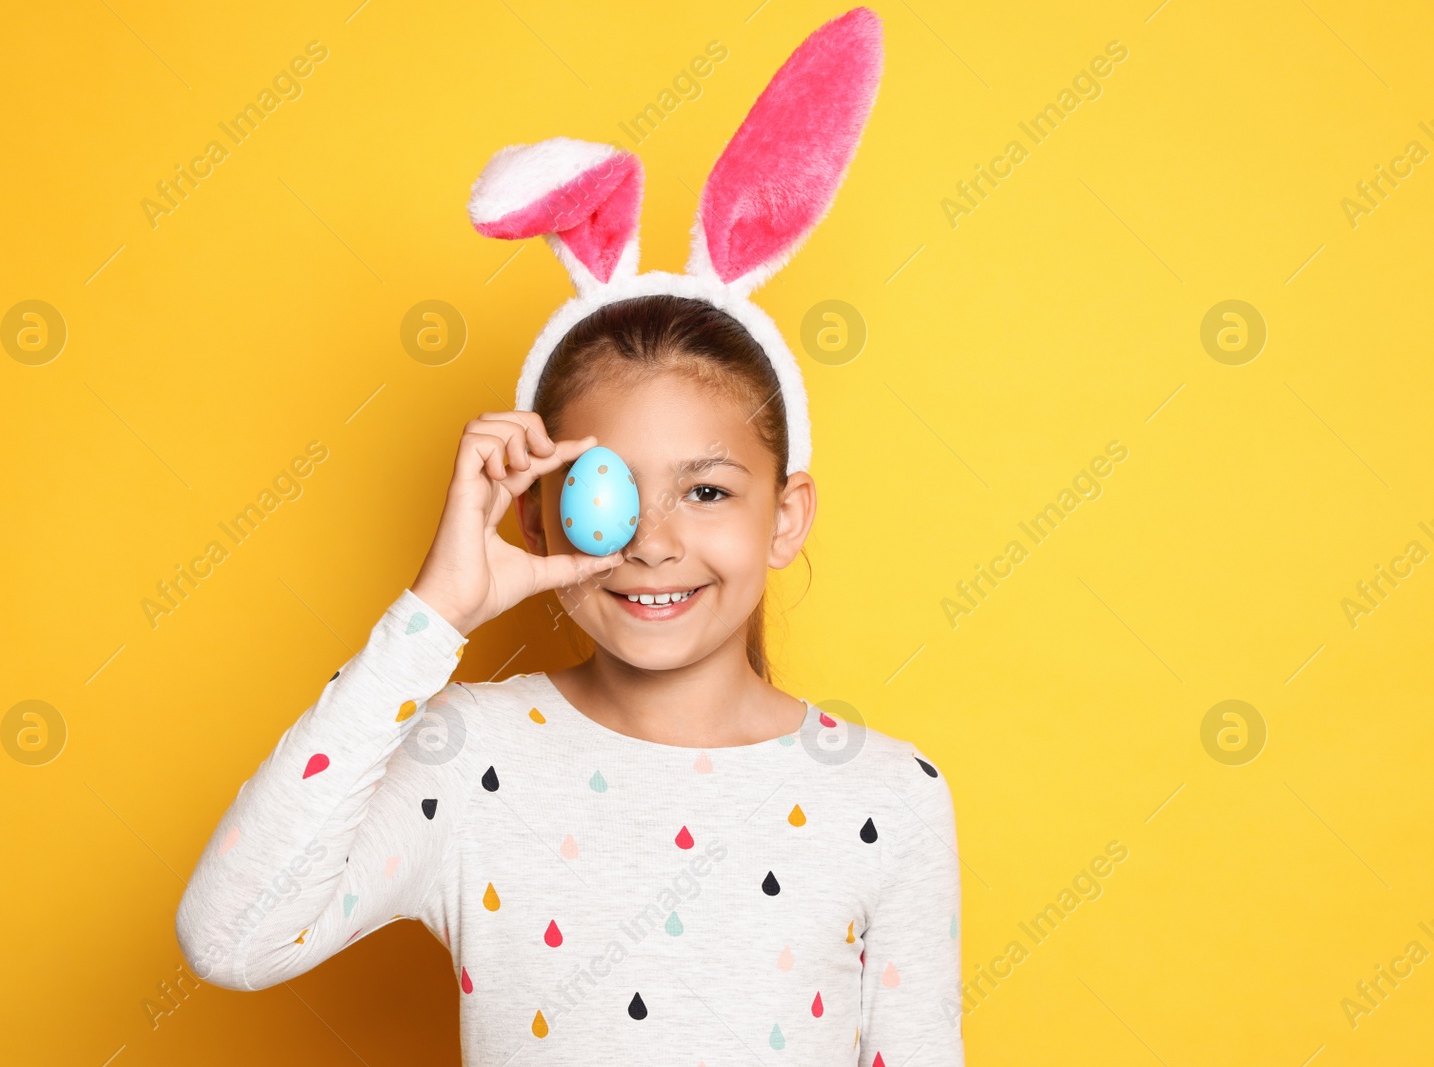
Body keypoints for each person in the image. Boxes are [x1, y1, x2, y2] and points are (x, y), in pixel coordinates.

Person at [176, 9, 964, 1064]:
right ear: (542, 509)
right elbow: (229, 936)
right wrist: (433, 613)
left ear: (786, 517)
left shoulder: (888, 796)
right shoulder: (470, 755)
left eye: (708, 490)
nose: (650, 540)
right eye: (608, 488)